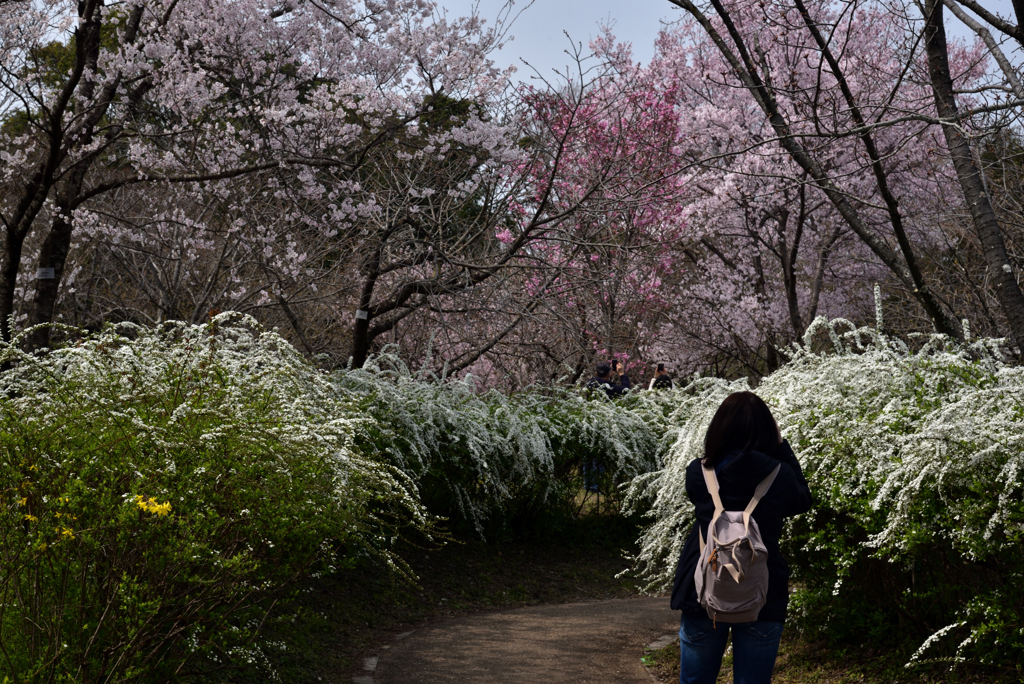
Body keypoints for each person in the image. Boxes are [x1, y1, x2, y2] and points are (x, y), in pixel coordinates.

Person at [670, 392, 812, 684]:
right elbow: (803, 500)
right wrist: (782, 446)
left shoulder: (699, 472)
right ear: (766, 429)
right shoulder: (780, 475)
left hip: (703, 591)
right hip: (763, 593)